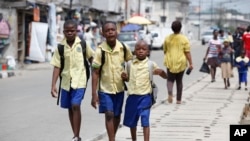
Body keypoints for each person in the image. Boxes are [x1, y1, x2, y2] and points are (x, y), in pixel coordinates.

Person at [50, 20, 94, 141]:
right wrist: (53, 84)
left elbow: (91, 58)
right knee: (70, 107)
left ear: (76, 31)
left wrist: (97, 72)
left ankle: (76, 135)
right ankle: (75, 134)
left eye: (72, 30)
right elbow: (57, 66)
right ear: (63, 32)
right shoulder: (60, 47)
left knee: (76, 105)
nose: (70, 33)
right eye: (67, 31)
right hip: (65, 82)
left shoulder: (83, 44)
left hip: (80, 80)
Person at [91, 21, 133, 141]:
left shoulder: (124, 48)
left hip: (119, 88)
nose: (110, 32)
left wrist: (128, 75)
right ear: (103, 33)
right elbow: (95, 72)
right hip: (105, 89)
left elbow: (131, 64)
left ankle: (112, 136)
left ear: (117, 31)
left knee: (117, 116)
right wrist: (93, 94)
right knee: (109, 114)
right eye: (107, 30)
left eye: (112, 30)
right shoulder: (99, 51)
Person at [121, 40, 167, 141]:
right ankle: (134, 139)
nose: (140, 51)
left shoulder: (151, 64)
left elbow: (165, 76)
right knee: (132, 122)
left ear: (148, 52)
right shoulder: (129, 64)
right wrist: (124, 77)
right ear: (134, 51)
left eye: (143, 49)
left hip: (145, 97)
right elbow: (127, 78)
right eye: (138, 49)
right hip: (132, 97)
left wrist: (161, 72)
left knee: (145, 120)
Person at [163, 20, 193, 104]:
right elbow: (187, 52)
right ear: (180, 28)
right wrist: (191, 63)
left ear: (172, 28)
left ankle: (170, 93)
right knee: (179, 81)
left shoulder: (167, 38)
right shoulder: (184, 39)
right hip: (181, 61)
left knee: (170, 79)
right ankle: (179, 100)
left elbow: (165, 51)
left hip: (170, 61)